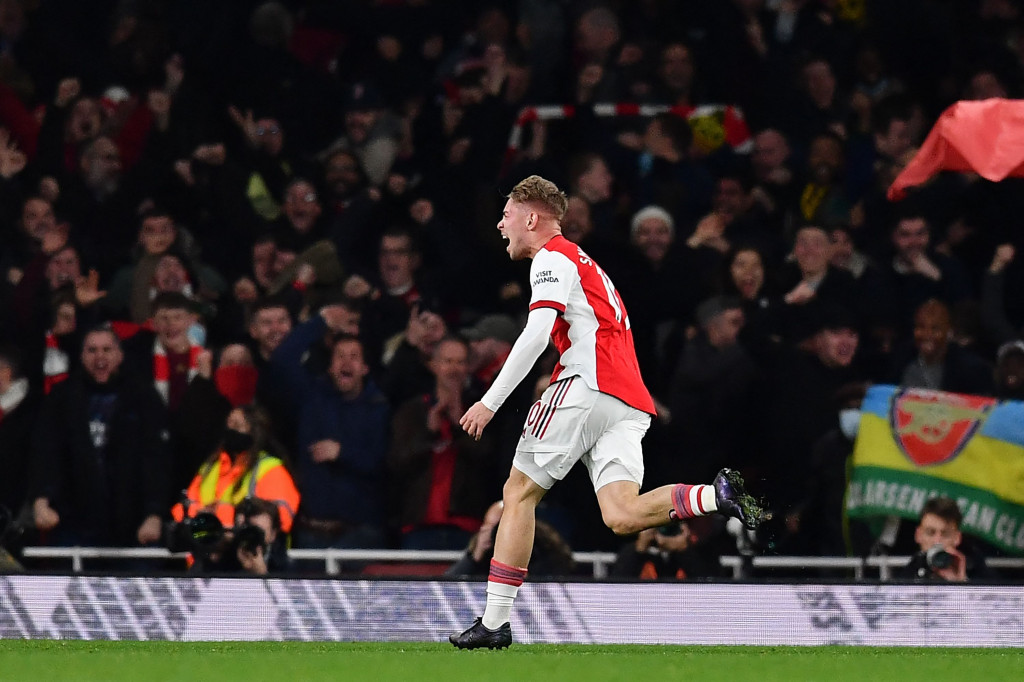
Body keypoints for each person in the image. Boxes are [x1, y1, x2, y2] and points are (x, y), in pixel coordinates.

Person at [449, 176, 766, 650]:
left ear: (532, 218)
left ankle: (494, 622)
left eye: (508, 214)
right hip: (627, 400)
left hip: (585, 386)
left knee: (517, 494)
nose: (500, 224)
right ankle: (715, 496)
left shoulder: (552, 257)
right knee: (621, 515)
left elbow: (537, 334)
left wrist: (488, 402)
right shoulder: (583, 262)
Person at [895, 496, 987, 582]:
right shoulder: (912, 569)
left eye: (945, 534)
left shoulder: (974, 565)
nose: (937, 541)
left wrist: (961, 582)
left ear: (957, 538)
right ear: (918, 535)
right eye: (930, 533)